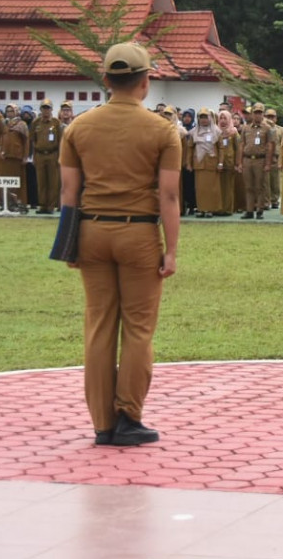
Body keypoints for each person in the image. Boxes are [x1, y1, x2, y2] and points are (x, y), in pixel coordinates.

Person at [58, 42, 181, 446]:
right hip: (138, 233)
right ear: (146, 82)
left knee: (98, 326)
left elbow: (69, 193)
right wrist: (172, 249)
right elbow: (168, 196)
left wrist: (68, 245)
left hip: (92, 232)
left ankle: (102, 423)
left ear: (107, 80)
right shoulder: (162, 130)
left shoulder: (78, 127)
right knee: (138, 329)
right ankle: (129, 415)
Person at [238, 103, 275, 220]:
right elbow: (241, 145)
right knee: (248, 187)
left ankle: (259, 210)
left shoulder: (267, 129)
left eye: (260, 113)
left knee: (260, 186)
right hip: (247, 159)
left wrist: (268, 163)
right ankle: (249, 210)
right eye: (255, 113)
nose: (257, 115)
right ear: (252, 114)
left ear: (263, 115)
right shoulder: (245, 128)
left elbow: (270, 146)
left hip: (260, 159)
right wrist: (239, 162)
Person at [29, 99, 63, 214]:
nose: (46, 110)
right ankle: (42, 205)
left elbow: (61, 141)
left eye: (48, 108)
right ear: (40, 109)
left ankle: (51, 206)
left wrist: (60, 157)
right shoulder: (36, 123)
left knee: (53, 182)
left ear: (52, 109)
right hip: (39, 154)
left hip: (53, 154)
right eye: (44, 108)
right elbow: (33, 140)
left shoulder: (56, 123)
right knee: (41, 181)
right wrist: (34, 156)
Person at [215, 110, 241, 216]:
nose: (223, 121)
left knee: (228, 187)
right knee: (219, 188)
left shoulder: (234, 132)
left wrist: (237, 163)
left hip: (230, 163)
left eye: (225, 118)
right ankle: (218, 208)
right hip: (218, 164)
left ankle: (228, 209)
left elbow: (238, 149)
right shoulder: (216, 132)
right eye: (221, 118)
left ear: (229, 119)